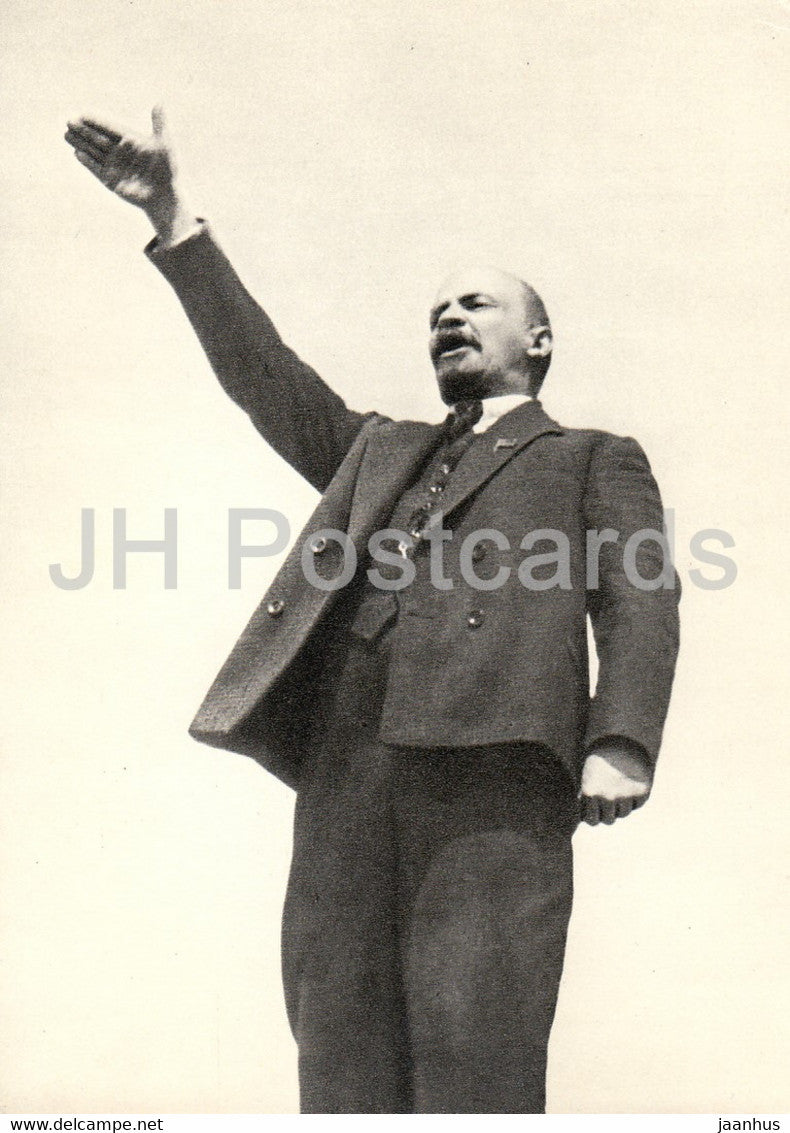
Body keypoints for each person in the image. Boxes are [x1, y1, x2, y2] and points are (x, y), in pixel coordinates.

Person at [65, 108, 681, 1114]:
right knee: (338, 1056)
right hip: (345, 769)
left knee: (476, 1046)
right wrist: (175, 219)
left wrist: (623, 738)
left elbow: (641, 597)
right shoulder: (377, 450)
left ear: (538, 337)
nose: (446, 316)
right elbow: (268, 381)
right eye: (435, 307)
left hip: (492, 768)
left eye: (474, 303)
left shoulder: (590, 457)